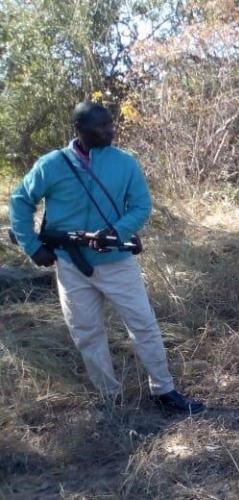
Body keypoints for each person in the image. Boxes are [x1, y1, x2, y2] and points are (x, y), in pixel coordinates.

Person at [9, 102, 204, 413]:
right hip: (70, 264)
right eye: (101, 127)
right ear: (80, 129)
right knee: (86, 331)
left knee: (144, 324)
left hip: (116, 260)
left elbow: (141, 206)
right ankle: (109, 397)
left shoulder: (125, 163)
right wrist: (32, 247)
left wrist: (115, 231)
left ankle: (165, 390)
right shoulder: (51, 165)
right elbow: (20, 203)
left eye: (110, 124)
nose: (110, 130)